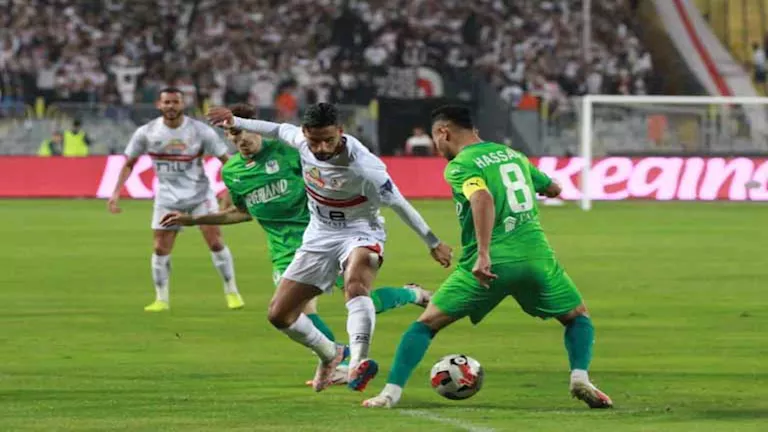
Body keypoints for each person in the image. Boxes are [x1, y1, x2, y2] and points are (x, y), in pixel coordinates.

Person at [161, 103, 434, 385]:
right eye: (232, 134)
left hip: (323, 236)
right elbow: (242, 213)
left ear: (256, 129)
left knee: (363, 298)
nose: (239, 139)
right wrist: (193, 220)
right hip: (283, 248)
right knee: (296, 313)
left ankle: (412, 295)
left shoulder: (290, 152)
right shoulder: (232, 171)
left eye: (243, 131)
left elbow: (326, 174)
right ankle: (338, 359)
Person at [363, 105, 613, 409]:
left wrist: (483, 254)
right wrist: (543, 190)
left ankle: (389, 394)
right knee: (577, 317)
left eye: (435, 139)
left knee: (426, 325)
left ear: (443, 132)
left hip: (488, 266)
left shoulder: (461, 165)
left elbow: (481, 197)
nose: (436, 147)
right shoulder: (513, 155)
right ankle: (580, 377)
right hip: (537, 260)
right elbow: (554, 188)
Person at [107, 87, 244, 312]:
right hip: (167, 199)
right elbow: (129, 163)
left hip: (200, 196)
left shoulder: (200, 131)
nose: (171, 106)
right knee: (160, 248)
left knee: (215, 242)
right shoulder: (147, 132)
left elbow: (227, 162)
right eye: (167, 102)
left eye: (175, 102)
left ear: (183, 104)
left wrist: (232, 191)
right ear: (159, 105)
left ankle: (232, 291)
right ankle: (161, 299)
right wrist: (115, 193)